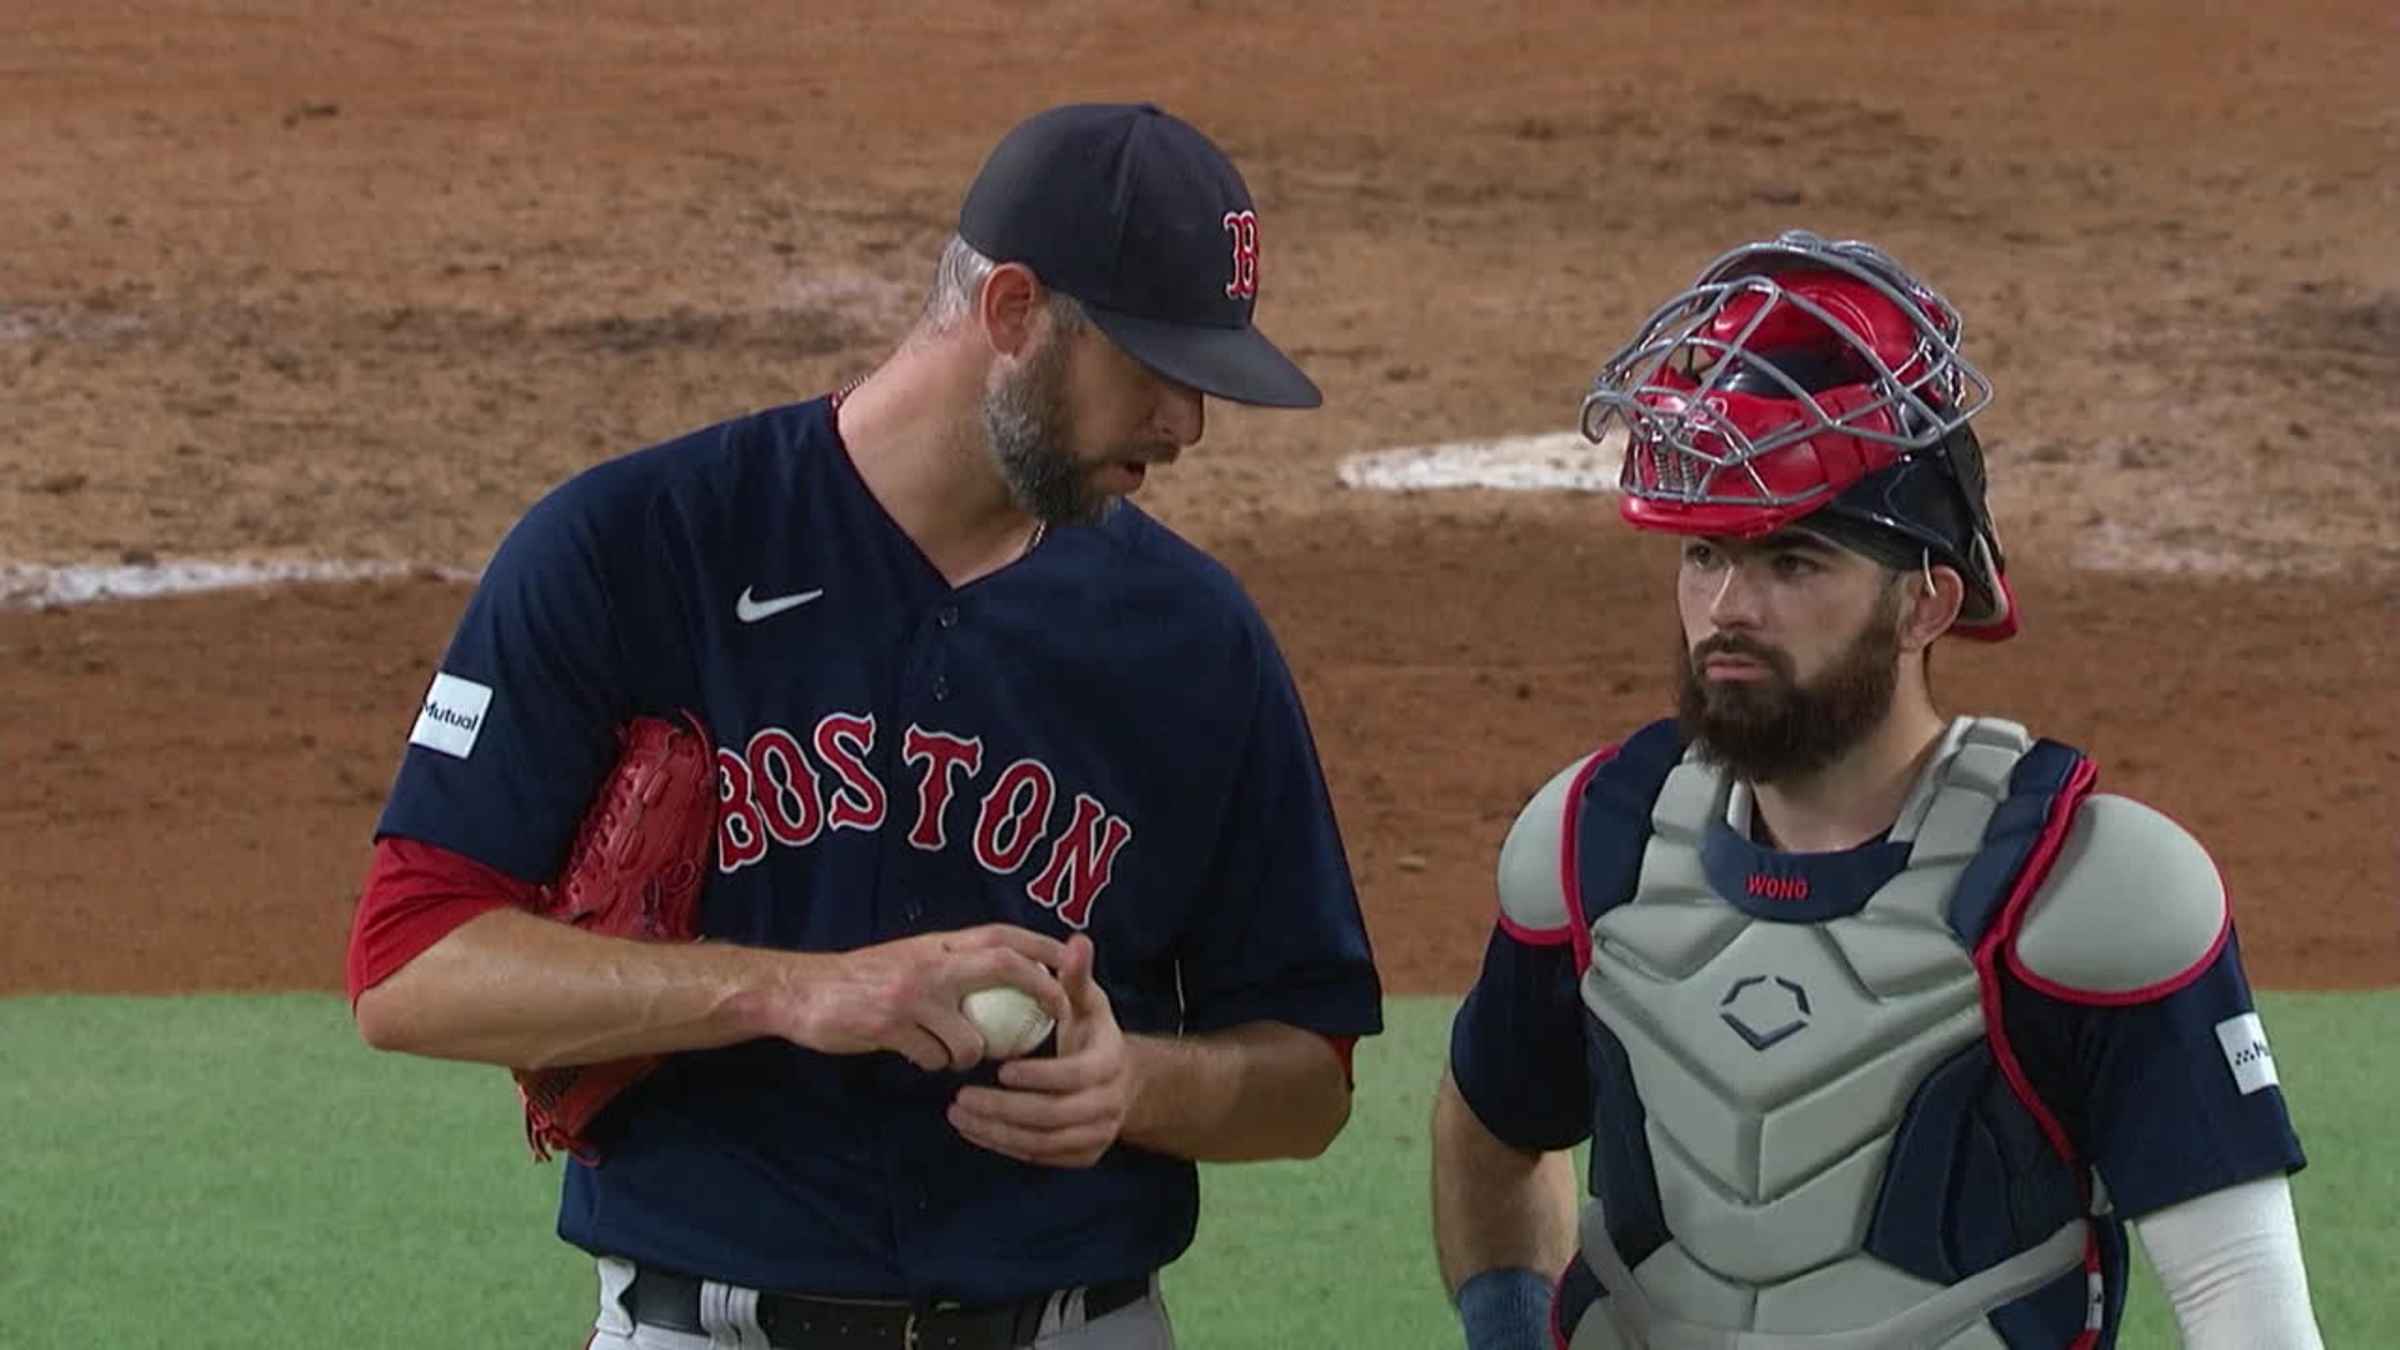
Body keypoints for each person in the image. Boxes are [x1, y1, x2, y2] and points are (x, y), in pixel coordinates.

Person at [346, 102, 1382, 1350]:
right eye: (1155, 370)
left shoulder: (1195, 639)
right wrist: (792, 994)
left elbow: (1309, 1078)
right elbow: (408, 968)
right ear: (1012, 312)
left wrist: (1142, 1084)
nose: (1188, 424)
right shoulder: (633, 549)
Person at [1431, 230, 2322, 1349]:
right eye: (1703, 555)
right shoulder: (1592, 846)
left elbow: (2244, 1301)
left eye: (1794, 562)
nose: (1727, 610)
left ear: (1926, 606)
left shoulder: (2090, 900)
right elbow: (1489, 1123)